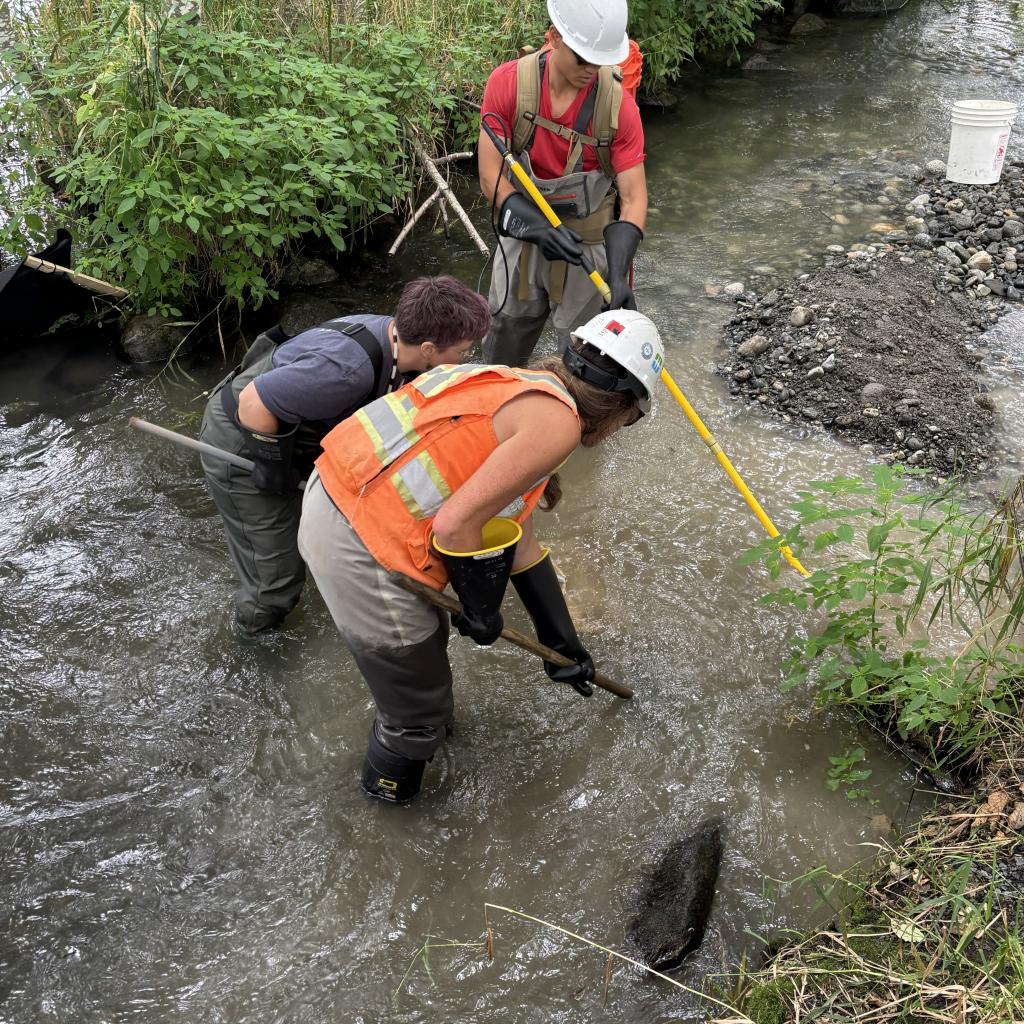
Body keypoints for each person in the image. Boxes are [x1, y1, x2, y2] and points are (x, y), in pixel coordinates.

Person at [297, 308, 665, 804]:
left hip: (331, 497)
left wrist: (563, 641)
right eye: (632, 419)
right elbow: (454, 525)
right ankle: (385, 809)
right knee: (416, 714)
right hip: (361, 548)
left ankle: (426, 723)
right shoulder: (556, 425)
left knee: (427, 649)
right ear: (621, 406)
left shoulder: (512, 381)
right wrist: (483, 608)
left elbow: (515, 534)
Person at [199, 276, 491, 634]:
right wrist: (271, 465)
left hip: (294, 426)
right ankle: (252, 638)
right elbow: (254, 404)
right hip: (243, 437)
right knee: (276, 584)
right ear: (429, 348)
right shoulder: (346, 371)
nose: (465, 359)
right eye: (462, 352)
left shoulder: (401, 342)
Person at [478, 0, 648, 367]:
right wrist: (538, 230)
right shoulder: (508, 84)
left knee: (583, 361)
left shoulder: (620, 108)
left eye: (600, 61)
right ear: (553, 38)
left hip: (587, 247)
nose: (591, 71)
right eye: (582, 59)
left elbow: (634, 199)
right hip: (522, 235)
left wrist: (618, 275)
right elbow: (490, 176)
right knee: (503, 344)